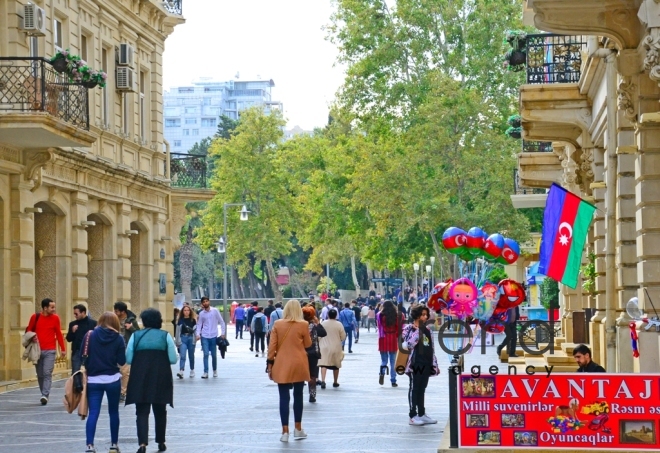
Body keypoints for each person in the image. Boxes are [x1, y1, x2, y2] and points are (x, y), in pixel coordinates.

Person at [126, 308, 178, 453]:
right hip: (161, 377)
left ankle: (142, 444)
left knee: (142, 411)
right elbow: (173, 359)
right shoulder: (165, 336)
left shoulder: (136, 336)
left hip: (140, 377)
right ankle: (161, 441)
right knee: (160, 410)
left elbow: (128, 359)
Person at [266, 300, 312, 442]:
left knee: (283, 397)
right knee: (298, 395)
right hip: (299, 363)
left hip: (282, 363)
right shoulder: (304, 324)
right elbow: (308, 344)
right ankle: (298, 428)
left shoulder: (278, 324)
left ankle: (284, 431)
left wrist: (269, 363)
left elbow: (272, 345)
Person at [84, 312, 126, 453]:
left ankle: (90, 445)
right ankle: (114, 445)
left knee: (93, 412)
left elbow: (82, 356)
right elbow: (122, 361)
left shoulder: (90, 335)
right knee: (113, 412)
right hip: (112, 379)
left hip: (93, 380)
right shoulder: (118, 338)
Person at [402, 305, 440, 426]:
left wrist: (434, 364)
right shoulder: (409, 329)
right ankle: (413, 415)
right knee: (415, 388)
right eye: (422, 314)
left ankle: (422, 414)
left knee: (422, 389)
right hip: (415, 363)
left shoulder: (428, 330)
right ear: (416, 315)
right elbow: (407, 344)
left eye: (426, 315)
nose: (425, 317)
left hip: (426, 363)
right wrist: (418, 331)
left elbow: (431, 348)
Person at [25, 298, 66, 405]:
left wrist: (63, 348)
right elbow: (29, 330)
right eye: (52, 307)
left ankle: (45, 395)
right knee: (40, 375)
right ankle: (43, 393)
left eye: (54, 307)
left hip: (50, 350)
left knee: (47, 373)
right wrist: (32, 336)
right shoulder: (35, 317)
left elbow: (59, 333)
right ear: (45, 308)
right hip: (37, 350)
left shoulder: (55, 318)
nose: (54, 309)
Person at [114, 301, 140, 402]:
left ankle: (123, 392)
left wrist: (131, 328)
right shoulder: (113, 319)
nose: (115, 313)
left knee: (124, 371)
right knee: (115, 371)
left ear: (123, 311)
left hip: (126, 348)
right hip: (114, 348)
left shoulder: (131, 320)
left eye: (117, 311)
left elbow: (138, 334)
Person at [195, 296, 226, 378]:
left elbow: (221, 321)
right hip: (204, 335)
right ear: (202, 304)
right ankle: (205, 372)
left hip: (213, 335)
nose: (205, 303)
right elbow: (199, 325)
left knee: (213, 354)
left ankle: (214, 370)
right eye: (203, 302)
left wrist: (223, 333)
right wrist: (198, 334)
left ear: (209, 302)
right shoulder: (201, 314)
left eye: (206, 301)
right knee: (205, 354)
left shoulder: (215, 311)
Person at [302, 305, 327, 403]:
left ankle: (298, 391)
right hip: (313, 352)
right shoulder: (314, 326)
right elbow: (323, 333)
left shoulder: (299, 325)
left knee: (300, 373)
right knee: (313, 375)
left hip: (301, 352)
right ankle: (312, 394)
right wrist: (318, 323)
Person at [377, 301, 403, 387]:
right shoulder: (396, 316)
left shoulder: (380, 315)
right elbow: (399, 327)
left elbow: (379, 326)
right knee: (393, 361)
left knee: (384, 360)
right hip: (392, 338)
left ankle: (382, 373)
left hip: (383, 338)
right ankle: (393, 380)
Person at [319, 309, 346, 389]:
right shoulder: (339, 324)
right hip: (335, 346)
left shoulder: (323, 323)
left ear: (328, 315)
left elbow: (319, 335)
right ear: (336, 315)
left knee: (324, 363)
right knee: (336, 364)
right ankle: (335, 381)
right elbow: (343, 336)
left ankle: (323, 380)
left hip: (324, 346)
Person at [66, 304, 97, 374]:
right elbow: (68, 339)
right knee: (75, 372)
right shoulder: (72, 324)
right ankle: (77, 385)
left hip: (90, 351)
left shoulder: (93, 323)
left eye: (76, 314)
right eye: (74, 314)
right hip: (77, 351)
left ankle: (87, 385)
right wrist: (73, 332)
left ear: (83, 313)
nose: (75, 316)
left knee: (90, 371)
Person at [175, 305, 197, 379]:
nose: (186, 312)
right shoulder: (180, 320)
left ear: (190, 311)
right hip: (183, 338)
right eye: (185, 310)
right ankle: (181, 370)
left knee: (191, 356)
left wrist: (196, 338)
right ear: (182, 312)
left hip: (191, 338)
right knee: (183, 355)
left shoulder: (193, 320)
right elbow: (177, 331)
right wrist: (177, 341)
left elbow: (195, 330)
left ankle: (192, 370)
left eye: (188, 310)